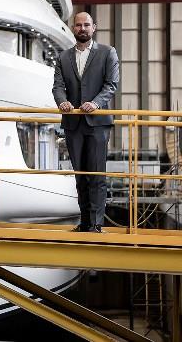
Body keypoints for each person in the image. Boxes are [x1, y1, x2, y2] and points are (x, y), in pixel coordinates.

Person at [52, 12, 120, 233]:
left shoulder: (108, 53)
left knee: (96, 176)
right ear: (73, 28)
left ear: (94, 28)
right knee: (80, 176)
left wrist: (97, 103)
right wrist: (62, 102)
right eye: (79, 25)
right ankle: (84, 222)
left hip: (98, 123)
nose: (82, 28)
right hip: (73, 124)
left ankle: (96, 224)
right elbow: (58, 87)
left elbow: (111, 84)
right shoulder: (63, 57)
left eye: (86, 25)